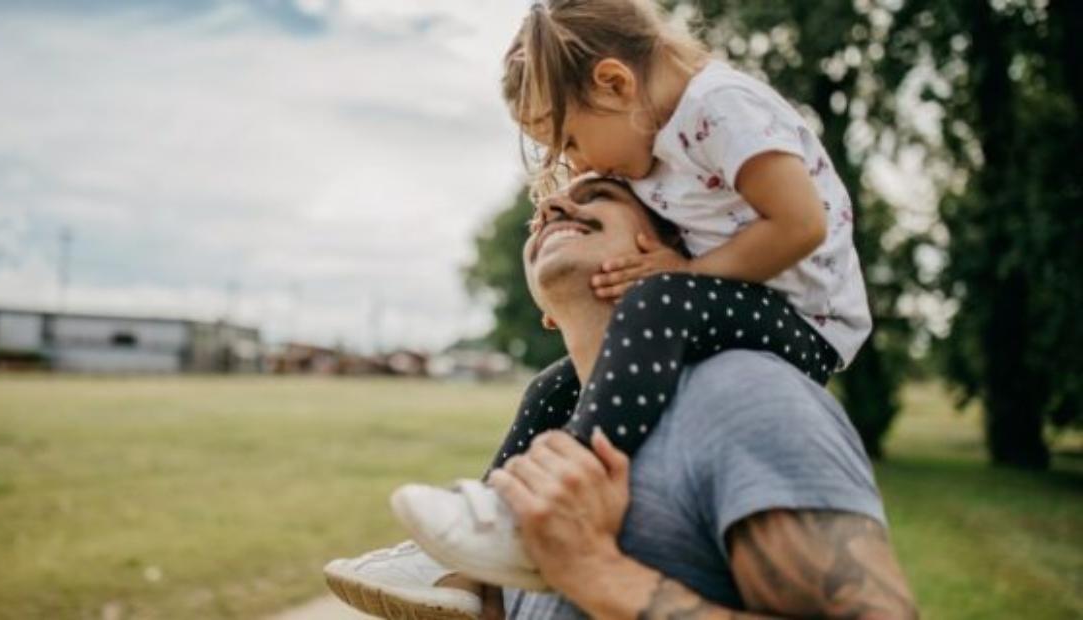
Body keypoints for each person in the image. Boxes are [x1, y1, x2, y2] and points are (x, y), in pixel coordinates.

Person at [390, 0, 873, 589]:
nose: (576, 166)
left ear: (615, 83)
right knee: (551, 387)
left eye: (570, 141)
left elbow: (800, 225)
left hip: (808, 322)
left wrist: (685, 271)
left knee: (661, 297)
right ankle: (485, 534)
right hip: (742, 301)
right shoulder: (652, 138)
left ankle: (565, 498)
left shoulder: (722, 107)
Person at [324, 175, 917, 619]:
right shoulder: (549, 430)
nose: (552, 208)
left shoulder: (744, 395)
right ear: (544, 311)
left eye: (600, 195)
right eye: (539, 218)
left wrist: (595, 571)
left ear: (671, 246)